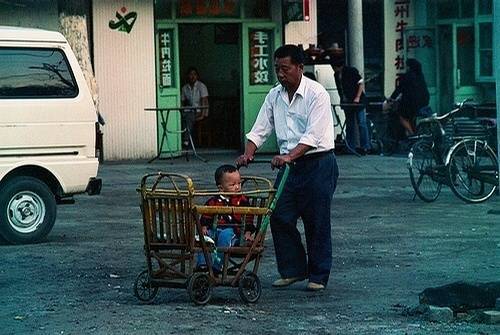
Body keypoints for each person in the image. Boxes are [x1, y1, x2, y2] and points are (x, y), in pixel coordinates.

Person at [235, 44, 339, 292]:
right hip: (290, 167)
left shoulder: (317, 94)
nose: (280, 74)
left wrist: (289, 156)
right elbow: (261, 128)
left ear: (300, 68)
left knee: (317, 220)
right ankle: (292, 270)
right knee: (279, 215)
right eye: (276, 69)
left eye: (285, 69)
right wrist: (249, 152)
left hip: (318, 163)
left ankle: (318, 275)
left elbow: (312, 136)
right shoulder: (274, 95)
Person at [196, 164, 255, 273]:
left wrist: (247, 233)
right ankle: (203, 264)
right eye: (233, 184)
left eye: (239, 183)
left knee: (225, 234)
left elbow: (249, 219)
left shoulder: (242, 201)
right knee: (204, 237)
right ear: (221, 188)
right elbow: (206, 216)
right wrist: (204, 227)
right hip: (215, 230)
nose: (237, 187)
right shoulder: (213, 201)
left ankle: (217, 266)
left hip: (235, 233)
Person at [331, 58, 371, 155]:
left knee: (361, 123)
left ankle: (365, 146)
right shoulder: (336, 75)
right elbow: (340, 89)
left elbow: (360, 84)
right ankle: (350, 146)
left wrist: (357, 97)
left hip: (357, 100)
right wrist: (342, 99)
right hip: (347, 101)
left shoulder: (351, 71)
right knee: (349, 124)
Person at [388, 58, 430, 136]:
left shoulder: (407, 76)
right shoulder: (420, 75)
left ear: (409, 67)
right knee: (412, 115)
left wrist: (391, 98)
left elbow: (399, 89)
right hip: (424, 102)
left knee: (401, 116)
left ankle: (411, 133)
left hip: (411, 103)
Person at [181, 67, 209, 148]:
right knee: (186, 116)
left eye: (194, 74)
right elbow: (182, 102)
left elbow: (205, 101)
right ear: (187, 76)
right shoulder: (185, 88)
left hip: (199, 111)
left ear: (197, 76)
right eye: (190, 74)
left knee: (188, 117)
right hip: (189, 110)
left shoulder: (201, 86)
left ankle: (186, 140)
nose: (192, 76)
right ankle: (186, 140)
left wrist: (203, 115)